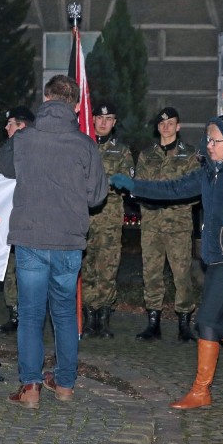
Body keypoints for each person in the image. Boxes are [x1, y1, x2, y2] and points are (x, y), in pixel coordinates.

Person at [110, 111, 223, 410]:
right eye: (207, 139)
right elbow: (173, 189)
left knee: (206, 320)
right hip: (216, 255)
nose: (208, 145)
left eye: (215, 140)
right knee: (219, 323)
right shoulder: (209, 172)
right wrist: (133, 185)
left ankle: (202, 390)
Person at [0, 75, 108, 409]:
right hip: (68, 241)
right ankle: (64, 385)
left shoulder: (24, 138)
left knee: (30, 316)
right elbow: (96, 197)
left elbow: (2, 168)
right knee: (63, 315)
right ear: (75, 106)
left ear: (46, 98)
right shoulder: (85, 144)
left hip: (31, 237)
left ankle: (30, 387)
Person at [133, 107, 200, 342]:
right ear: (157, 127)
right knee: (151, 273)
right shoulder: (146, 155)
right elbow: (138, 186)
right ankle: (153, 323)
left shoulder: (190, 156)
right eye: (162, 124)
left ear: (178, 126)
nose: (166, 127)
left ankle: (184, 323)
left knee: (181, 275)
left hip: (178, 225)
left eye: (171, 123)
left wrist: (171, 198)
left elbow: (195, 190)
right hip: (151, 223)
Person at [80, 102, 132, 338]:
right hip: (83, 218)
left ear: (114, 123)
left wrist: (101, 182)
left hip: (109, 220)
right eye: (100, 118)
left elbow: (126, 182)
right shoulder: (81, 146)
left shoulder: (121, 151)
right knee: (87, 267)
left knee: (108, 267)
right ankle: (90, 315)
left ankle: (104, 316)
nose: (103, 122)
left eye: (109, 118)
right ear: (92, 120)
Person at [0, 106, 35, 335]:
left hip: (29, 219)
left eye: (10, 124)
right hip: (9, 217)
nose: (6, 128)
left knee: (29, 269)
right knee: (10, 268)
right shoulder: (9, 147)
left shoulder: (32, 148)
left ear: (22, 126)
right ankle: (15, 312)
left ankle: (29, 314)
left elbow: (9, 168)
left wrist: (17, 139)